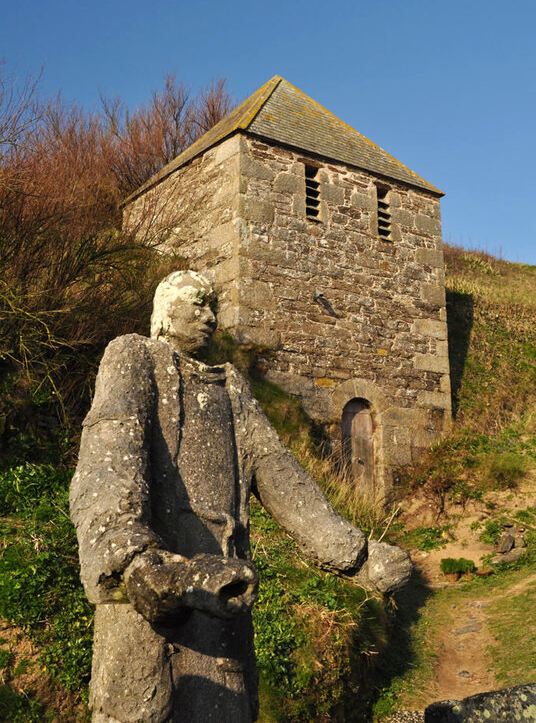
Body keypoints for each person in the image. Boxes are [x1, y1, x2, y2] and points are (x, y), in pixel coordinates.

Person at [70, 270, 411, 723]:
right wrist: (133, 559)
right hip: (150, 599)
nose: (210, 316)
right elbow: (108, 458)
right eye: (197, 303)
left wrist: (358, 556)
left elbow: (280, 475)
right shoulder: (135, 357)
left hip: (225, 599)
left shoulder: (231, 385)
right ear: (165, 309)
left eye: (214, 305)